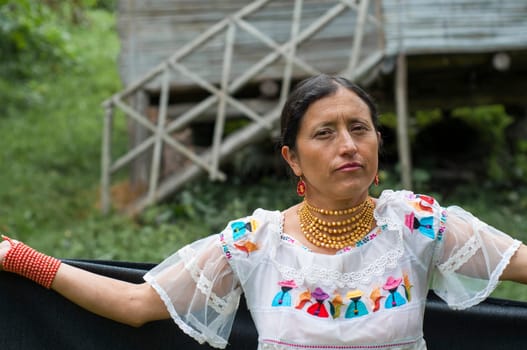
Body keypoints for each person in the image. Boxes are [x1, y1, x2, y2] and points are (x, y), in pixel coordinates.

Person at [1, 74, 527, 350]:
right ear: (291, 158)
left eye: (359, 128)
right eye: (325, 133)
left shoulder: (418, 224)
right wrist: (18, 257)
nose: (348, 145)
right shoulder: (255, 241)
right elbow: (136, 304)